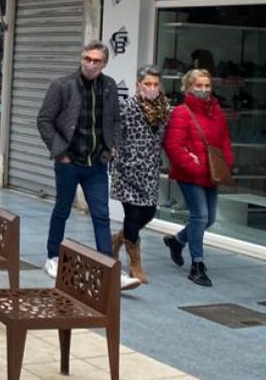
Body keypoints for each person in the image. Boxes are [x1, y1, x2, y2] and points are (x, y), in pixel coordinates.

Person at [36, 40, 138, 290]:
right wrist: (60, 153)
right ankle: (53, 257)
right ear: (81, 59)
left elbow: (114, 120)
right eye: (87, 59)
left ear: (104, 64)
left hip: (96, 163)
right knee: (62, 210)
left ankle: (108, 269)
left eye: (97, 61)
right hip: (69, 161)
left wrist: (111, 146)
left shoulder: (109, 86)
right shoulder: (62, 85)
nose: (91, 64)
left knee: (102, 215)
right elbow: (44, 120)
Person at [163, 68, 233, 287]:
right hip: (191, 174)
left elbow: (224, 141)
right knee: (200, 216)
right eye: (198, 86)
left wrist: (226, 164)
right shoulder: (182, 112)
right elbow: (173, 145)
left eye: (207, 86)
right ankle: (197, 264)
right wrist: (193, 165)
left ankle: (178, 241)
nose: (203, 90)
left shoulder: (216, 112)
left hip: (212, 173)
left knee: (209, 218)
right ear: (189, 87)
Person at [111, 65, 171, 285]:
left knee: (149, 212)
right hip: (127, 169)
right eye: (148, 84)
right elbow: (115, 133)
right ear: (138, 85)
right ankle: (135, 263)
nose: (152, 88)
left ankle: (118, 239)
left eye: (155, 84)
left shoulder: (165, 109)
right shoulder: (127, 107)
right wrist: (116, 153)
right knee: (133, 216)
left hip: (149, 171)